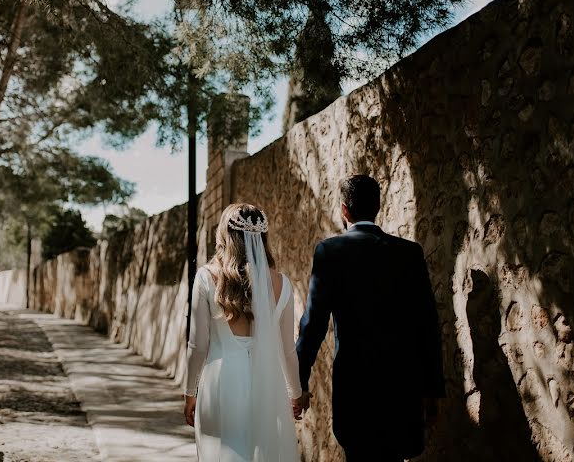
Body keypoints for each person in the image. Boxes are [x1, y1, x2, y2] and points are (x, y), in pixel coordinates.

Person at [295, 174, 445, 462]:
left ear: (344, 210)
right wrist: (432, 391)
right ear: (378, 206)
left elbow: (314, 324)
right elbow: (427, 325)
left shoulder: (330, 252)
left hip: (355, 390)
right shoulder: (409, 253)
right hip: (403, 389)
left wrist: (299, 381)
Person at [183, 203, 303, 461]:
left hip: (220, 382)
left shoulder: (206, 277)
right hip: (267, 385)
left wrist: (189, 392)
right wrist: (296, 393)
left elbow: (198, 346)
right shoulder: (282, 283)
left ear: (224, 235)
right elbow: (287, 349)